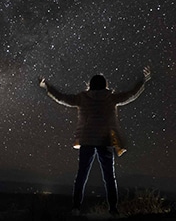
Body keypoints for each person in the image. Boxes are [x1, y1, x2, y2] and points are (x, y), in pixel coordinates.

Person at [39, 67, 151, 216]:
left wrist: (47, 87)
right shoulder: (111, 98)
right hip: (105, 140)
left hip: (87, 140)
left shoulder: (82, 98)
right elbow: (131, 95)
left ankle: (76, 208)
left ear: (90, 85)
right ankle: (113, 209)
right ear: (105, 84)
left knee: (81, 175)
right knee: (109, 177)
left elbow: (61, 98)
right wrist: (143, 80)